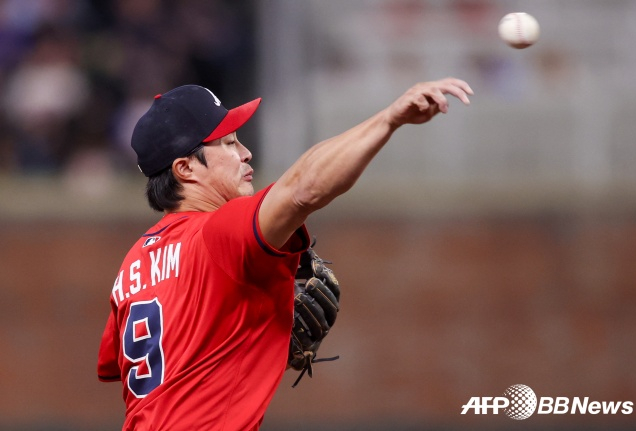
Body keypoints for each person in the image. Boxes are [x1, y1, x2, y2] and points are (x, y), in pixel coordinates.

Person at [97, 78, 473, 431]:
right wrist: (389, 119)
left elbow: (131, 362)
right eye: (228, 143)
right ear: (186, 168)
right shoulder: (218, 234)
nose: (245, 153)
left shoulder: (132, 265)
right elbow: (303, 190)